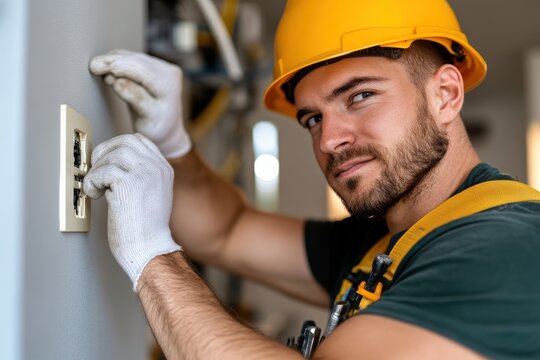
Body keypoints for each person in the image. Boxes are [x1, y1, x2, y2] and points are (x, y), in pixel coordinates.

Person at [84, 0, 540, 358]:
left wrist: (152, 260)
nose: (329, 140)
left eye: (360, 95)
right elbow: (226, 231)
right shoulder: (383, 240)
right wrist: (172, 143)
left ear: (445, 94)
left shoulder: (506, 247)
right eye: (312, 119)